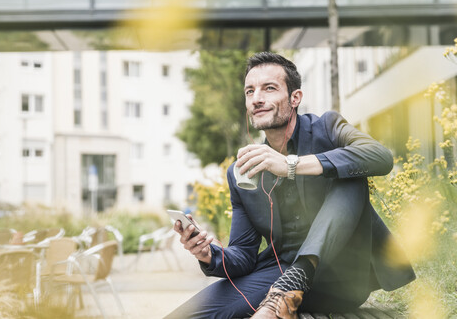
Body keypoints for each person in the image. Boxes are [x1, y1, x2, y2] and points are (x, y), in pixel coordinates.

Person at [165, 52, 415, 319]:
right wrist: (207, 253)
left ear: (295, 98)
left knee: (350, 172)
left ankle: (293, 283)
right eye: (250, 91)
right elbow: (244, 255)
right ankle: (284, 291)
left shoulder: (327, 128)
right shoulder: (243, 171)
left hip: (342, 276)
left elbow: (380, 156)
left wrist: (290, 166)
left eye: (269, 88)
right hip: (277, 276)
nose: (256, 98)